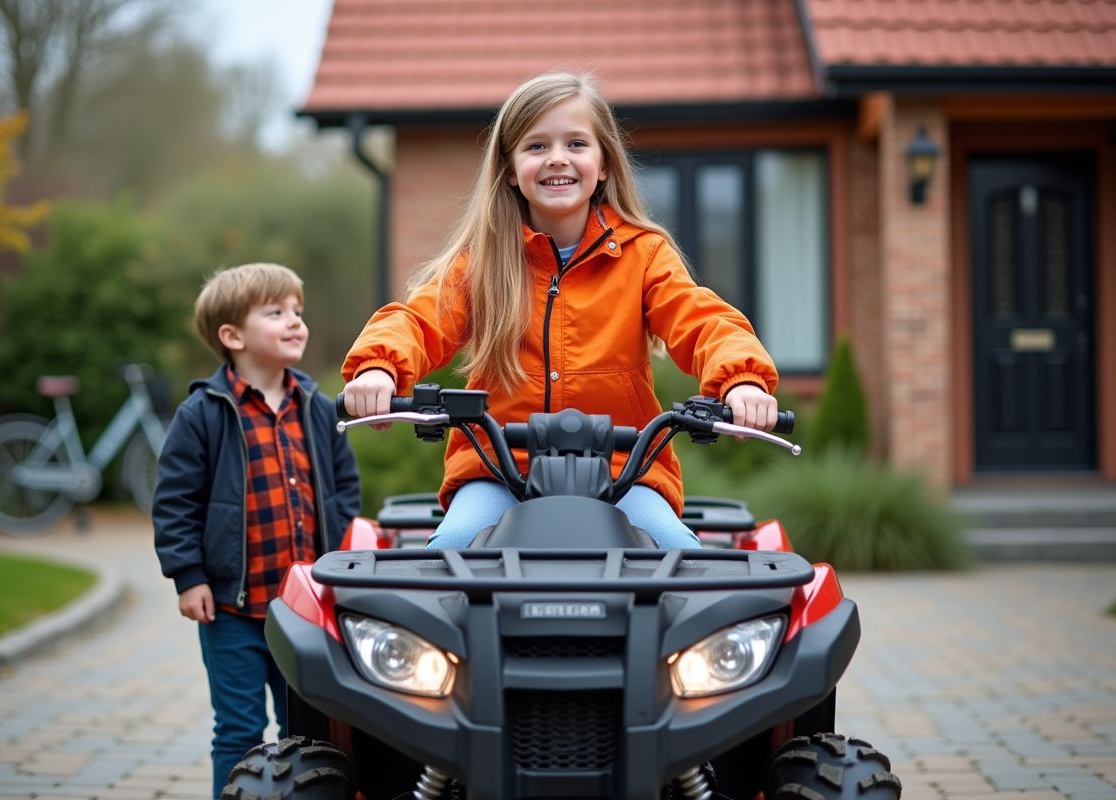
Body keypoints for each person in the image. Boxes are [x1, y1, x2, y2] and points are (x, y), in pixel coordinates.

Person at [341, 70, 777, 549]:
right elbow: (418, 320)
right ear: (508, 169)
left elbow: (702, 319)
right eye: (536, 147)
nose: (557, 159)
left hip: (623, 474)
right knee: (449, 556)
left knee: (683, 562)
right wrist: (378, 369)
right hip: (496, 471)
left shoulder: (644, 255)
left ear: (604, 163)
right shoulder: (482, 263)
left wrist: (743, 378)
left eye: (575, 144)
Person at [153, 263, 360, 799]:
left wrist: (339, 567)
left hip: (304, 610)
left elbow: (344, 490)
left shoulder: (317, 407)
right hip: (232, 611)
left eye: (298, 311)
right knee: (240, 730)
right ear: (233, 336)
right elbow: (175, 502)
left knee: (312, 728)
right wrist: (188, 576)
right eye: (276, 313)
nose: (295, 322)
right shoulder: (203, 414)